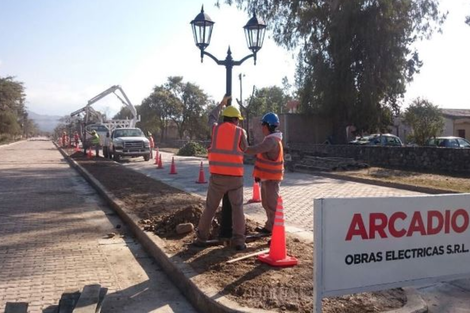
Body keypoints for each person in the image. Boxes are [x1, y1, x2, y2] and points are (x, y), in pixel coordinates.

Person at [195, 95, 248, 251]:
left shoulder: (215, 129)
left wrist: (221, 104)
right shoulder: (241, 132)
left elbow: (211, 117)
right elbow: (245, 148)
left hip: (217, 177)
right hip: (235, 178)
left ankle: (201, 237)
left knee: (210, 207)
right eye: (238, 119)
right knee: (238, 209)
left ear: (225, 118)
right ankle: (239, 241)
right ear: (235, 120)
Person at [244, 112, 284, 235]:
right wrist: (258, 175)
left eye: (263, 125)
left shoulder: (271, 141)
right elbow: (263, 159)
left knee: (272, 205)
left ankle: (276, 232)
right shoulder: (270, 139)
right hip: (267, 178)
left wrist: (242, 147)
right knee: (266, 203)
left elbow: (256, 149)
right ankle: (269, 226)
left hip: (272, 179)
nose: (261, 127)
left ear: (267, 126)